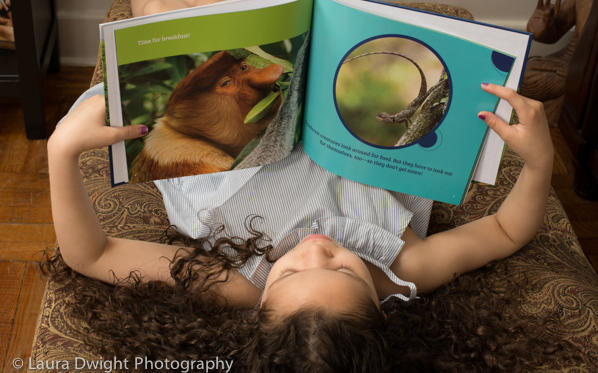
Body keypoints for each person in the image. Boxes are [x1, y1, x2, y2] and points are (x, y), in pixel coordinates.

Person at [44, 79, 581, 372]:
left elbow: (90, 256)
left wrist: (60, 152)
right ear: (380, 307)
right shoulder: (403, 270)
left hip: (231, 148)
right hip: (342, 128)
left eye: (289, 272)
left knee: (164, 10)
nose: (316, 248)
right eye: (345, 271)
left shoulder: (236, 288)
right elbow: (507, 232)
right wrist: (539, 161)